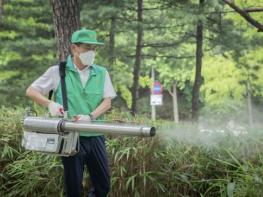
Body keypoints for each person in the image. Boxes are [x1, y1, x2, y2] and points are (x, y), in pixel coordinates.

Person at [26, 29, 116, 197]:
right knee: (73, 188)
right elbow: (31, 91)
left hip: (95, 135)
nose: (92, 52)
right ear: (74, 49)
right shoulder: (58, 72)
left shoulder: (101, 73)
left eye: (94, 48)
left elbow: (107, 102)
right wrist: (50, 103)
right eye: (87, 47)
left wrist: (90, 117)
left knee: (103, 186)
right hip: (70, 137)